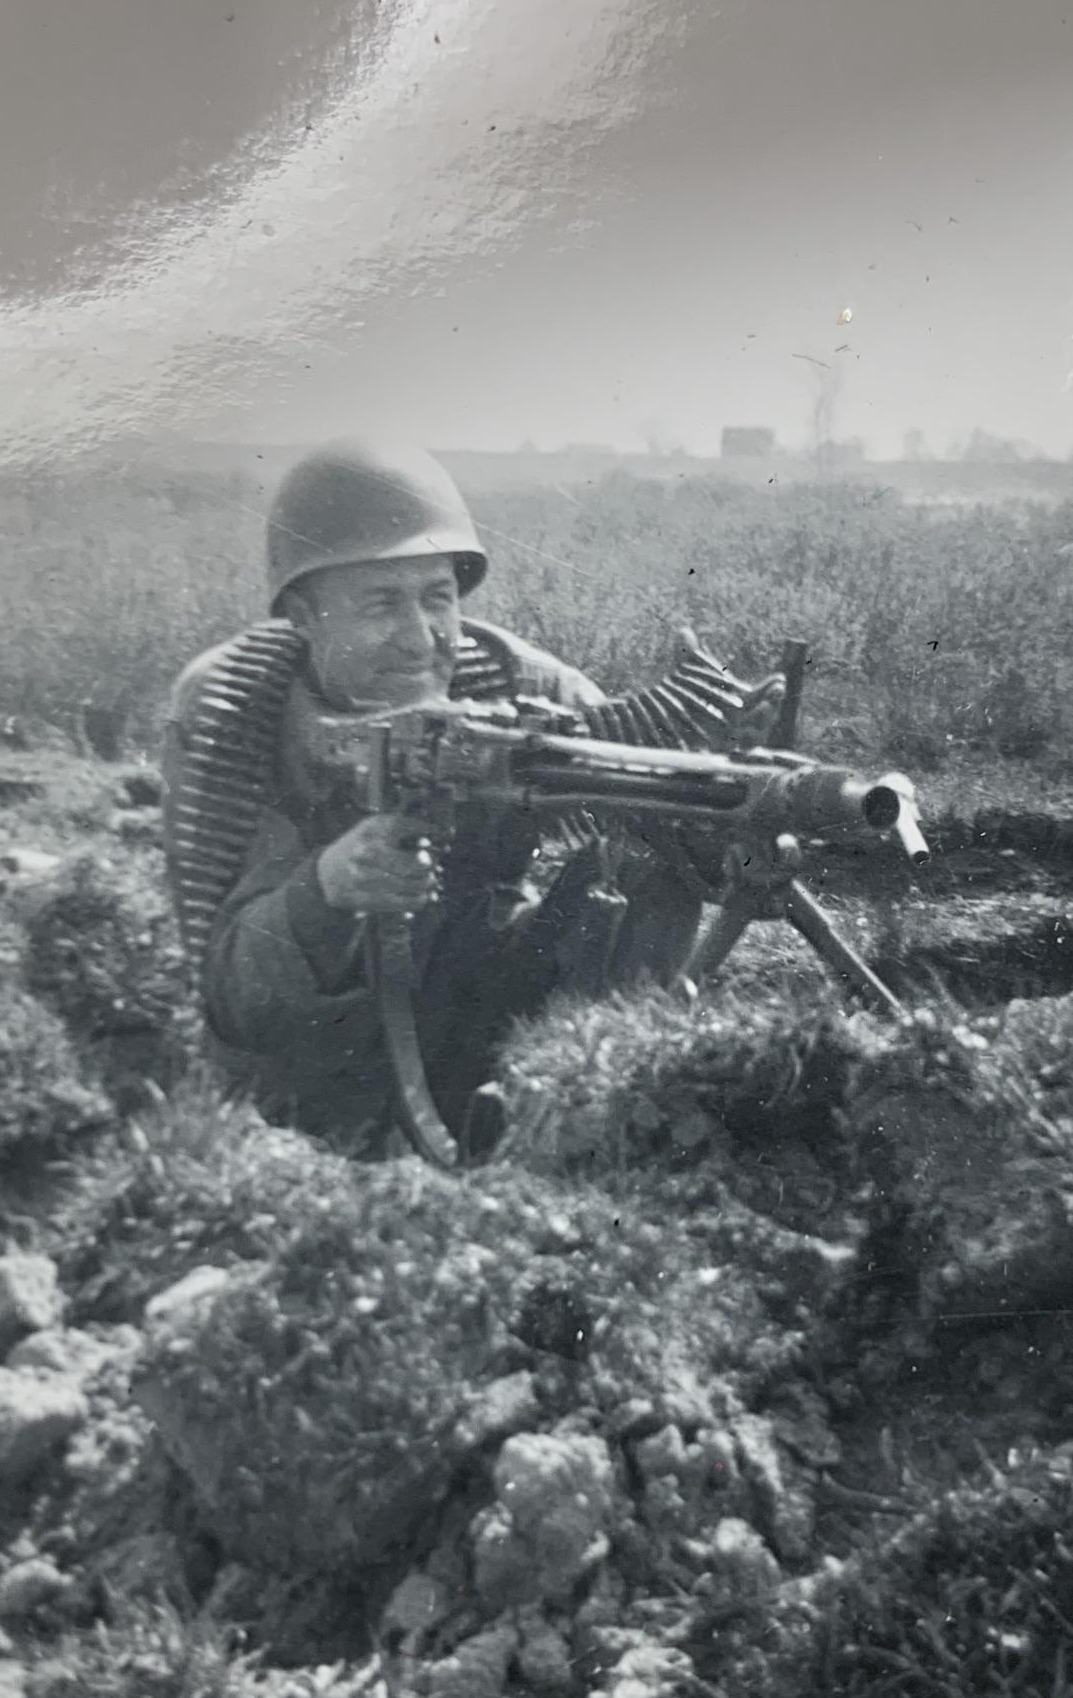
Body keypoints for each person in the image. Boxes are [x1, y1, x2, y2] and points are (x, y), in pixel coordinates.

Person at [161, 438, 784, 1162]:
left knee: (634, 869)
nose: (419, 639)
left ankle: (582, 1125)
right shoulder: (234, 715)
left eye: (437, 599)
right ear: (302, 616)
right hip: (306, 1072)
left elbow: (635, 780)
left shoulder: (517, 683)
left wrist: (714, 797)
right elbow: (230, 992)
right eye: (381, 604)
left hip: (465, 1013)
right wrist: (325, 889)